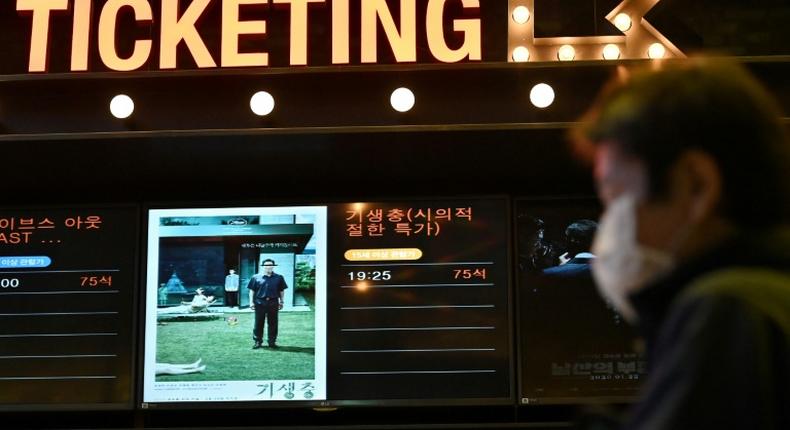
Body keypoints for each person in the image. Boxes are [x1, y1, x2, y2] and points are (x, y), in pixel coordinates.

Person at [572, 58, 790, 429]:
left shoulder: (727, 307)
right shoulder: (771, 296)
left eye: (617, 196)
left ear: (697, 185)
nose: (610, 228)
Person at [247, 258, 288, 349]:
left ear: (273, 266)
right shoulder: (255, 277)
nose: (268, 266)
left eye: (270, 265)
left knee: (273, 323)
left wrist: (281, 301)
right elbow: (252, 291)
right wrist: (251, 303)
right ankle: (258, 342)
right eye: (266, 265)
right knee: (258, 323)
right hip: (260, 302)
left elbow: (281, 291)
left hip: (273, 302)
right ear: (263, 266)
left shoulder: (279, 277)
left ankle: (272, 342)